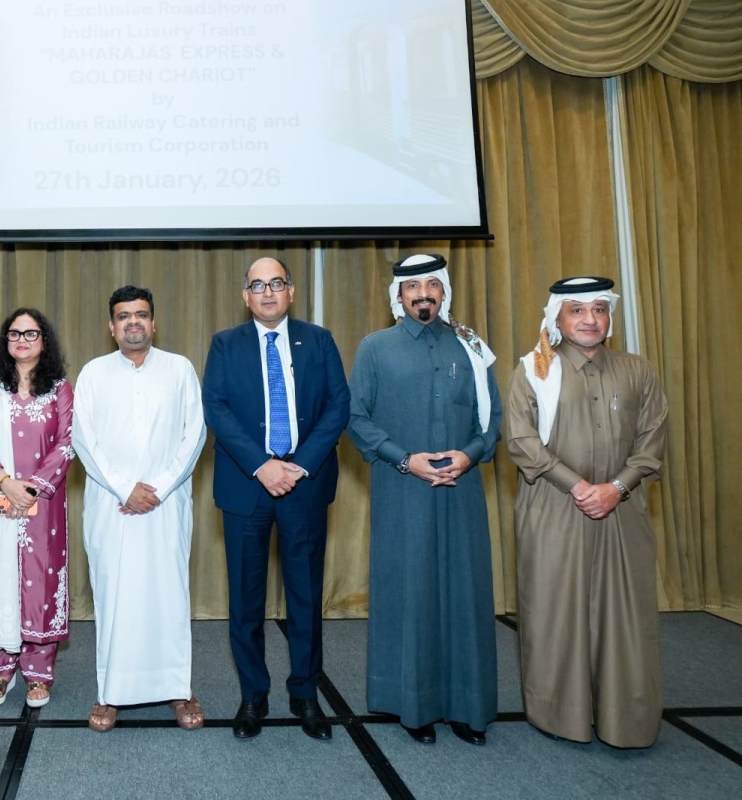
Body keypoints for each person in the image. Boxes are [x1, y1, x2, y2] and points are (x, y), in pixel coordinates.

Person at [506, 276, 668, 748]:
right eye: (577, 311)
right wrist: (578, 486)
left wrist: (616, 487)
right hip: (553, 508)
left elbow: (653, 441)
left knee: (626, 616)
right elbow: (520, 440)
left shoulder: (638, 370)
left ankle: (626, 719)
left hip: (623, 509)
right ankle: (561, 716)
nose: (589, 319)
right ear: (557, 318)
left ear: (609, 318)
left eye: (598, 310)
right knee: (555, 612)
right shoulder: (534, 369)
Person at [347, 253, 501, 746]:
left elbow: (492, 419)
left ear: (444, 291)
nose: (423, 294)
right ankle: (412, 707)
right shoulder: (375, 349)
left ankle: (465, 707)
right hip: (402, 490)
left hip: (462, 490)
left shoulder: (471, 347)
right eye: (413, 288)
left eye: (432, 285)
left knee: (464, 594)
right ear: (398, 296)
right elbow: (356, 419)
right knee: (410, 594)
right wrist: (403, 458)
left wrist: (471, 453)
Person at [202, 256, 350, 741]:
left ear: (291, 291)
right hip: (247, 486)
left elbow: (337, 406)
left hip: (304, 486)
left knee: (305, 598)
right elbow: (216, 409)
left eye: (276, 283)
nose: (267, 292)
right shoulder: (225, 344)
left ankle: (305, 695)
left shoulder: (319, 340)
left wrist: (298, 464)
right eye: (257, 285)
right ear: (245, 295)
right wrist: (262, 465)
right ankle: (253, 697)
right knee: (246, 600)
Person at [73, 286, 207, 732]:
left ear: (154, 323)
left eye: (141, 315)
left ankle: (178, 689)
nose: (134, 322)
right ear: (111, 327)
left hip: (166, 506)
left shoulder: (180, 369)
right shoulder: (93, 373)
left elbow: (194, 435)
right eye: (124, 316)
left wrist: (160, 488)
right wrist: (125, 488)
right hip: (111, 505)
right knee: (114, 595)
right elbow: (83, 440)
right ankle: (111, 693)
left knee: (168, 595)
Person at [0, 307, 74, 708]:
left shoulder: (59, 388)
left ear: (45, 339)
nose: (22, 341)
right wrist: (5, 482)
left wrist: (34, 487)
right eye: (14, 334)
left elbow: (67, 441)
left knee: (39, 581)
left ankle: (39, 673)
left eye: (30, 333)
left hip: (43, 502)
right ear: (4, 341)